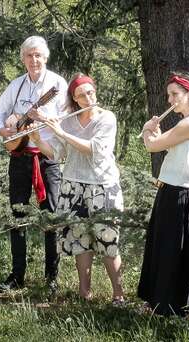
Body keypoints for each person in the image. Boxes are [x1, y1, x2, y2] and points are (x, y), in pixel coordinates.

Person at [27, 73, 124, 304]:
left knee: (108, 240)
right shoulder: (68, 120)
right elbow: (56, 154)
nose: (88, 98)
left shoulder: (106, 118)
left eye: (90, 92)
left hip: (103, 186)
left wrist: (61, 132)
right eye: (81, 95)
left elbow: (95, 149)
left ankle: (119, 295)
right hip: (73, 186)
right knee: (80, 240)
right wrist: (38, 139)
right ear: (75, 99)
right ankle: (84, 293)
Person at [0, 36, 67, 293]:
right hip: (19, 156)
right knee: (17, 215)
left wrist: (43, 117)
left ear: (45, 58)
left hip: (47, 158)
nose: (34, 60)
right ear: (23, 59)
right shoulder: (16, 85)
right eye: (29, 56)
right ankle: (17, 275)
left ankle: (52, 276)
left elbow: (67, 119)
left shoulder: (57, 84)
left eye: (38, 56)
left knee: (51, 215)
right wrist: (5, 130)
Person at [138, 71, 189, 317]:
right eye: (169, 94)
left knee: (173, 251)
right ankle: (168, 305)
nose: (170, 100)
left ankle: (170, 307)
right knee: (168, 249)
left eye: (175, 94)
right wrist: (156, 136)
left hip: (179, 194)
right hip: (174, 192)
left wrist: (148, 130)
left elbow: (152, 145)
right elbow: (168, 146)